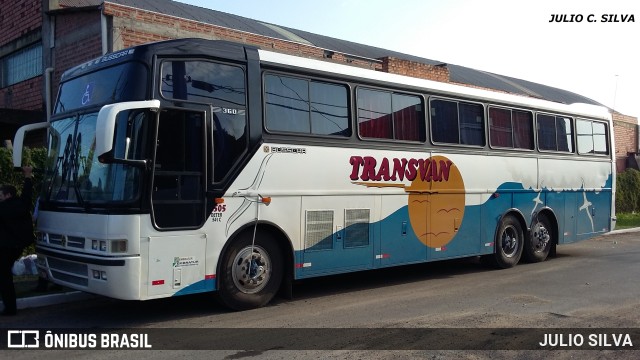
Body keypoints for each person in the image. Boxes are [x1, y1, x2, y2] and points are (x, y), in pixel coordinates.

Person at [0, 166, 35, 316]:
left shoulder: (2, 208)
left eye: (0, 195)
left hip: (5, 247)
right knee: (4, 274)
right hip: (17, 247)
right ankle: (10, 307)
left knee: (4, 277)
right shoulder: (22, 203)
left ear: (7, 195)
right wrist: (28, 176)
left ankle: (10, 308)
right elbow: (27, 194)